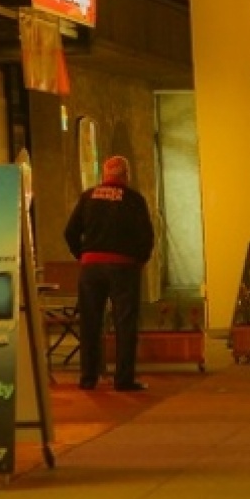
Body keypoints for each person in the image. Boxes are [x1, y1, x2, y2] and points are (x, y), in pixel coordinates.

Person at [64, 155, 156, 391]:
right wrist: (139, 260)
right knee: (125, 324)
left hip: (91, 268)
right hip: (123, 268)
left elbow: (70, 232)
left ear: (104, 175)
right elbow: (146, 236)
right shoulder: (134, 200)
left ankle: (88, 378)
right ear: (126, 175)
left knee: (90, 323)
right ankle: (123, 380)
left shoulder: (88, 197)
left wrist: (82, 255)